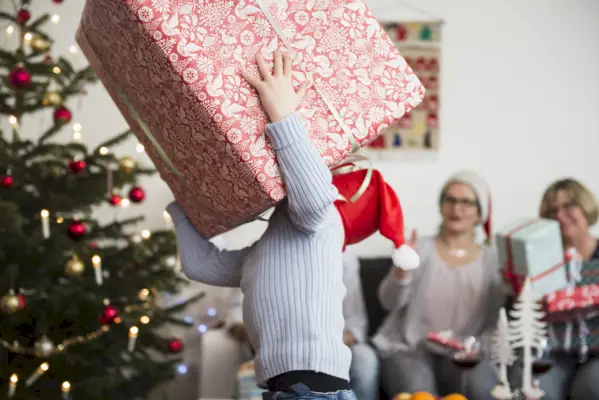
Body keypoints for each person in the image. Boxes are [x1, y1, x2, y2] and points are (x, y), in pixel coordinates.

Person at [167, 50, 357, 400]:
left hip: (313, 392)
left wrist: (283, 115)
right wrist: (181, 189)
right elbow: (201, 263)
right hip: (286, 391)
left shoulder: (322, 222)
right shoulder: (266, 248)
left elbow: (313, 197)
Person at [372, 170, 507, 399]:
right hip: (409, 347)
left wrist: (477, 348)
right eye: (450, 200)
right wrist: (402, 270)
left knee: (481, 387)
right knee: (420, 392)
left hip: (463, 353)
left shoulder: (494, 259)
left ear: (480, 213)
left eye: (466, 202)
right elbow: (388, 302)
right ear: (441, 205)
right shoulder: (419, 247)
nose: (456, 209)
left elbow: (495, 320)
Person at [226, 251, 381, 400]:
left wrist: (320, 346)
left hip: (333, 345)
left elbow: (356, 326)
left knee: (365, 359)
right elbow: (234, 321)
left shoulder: (344, 257)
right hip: (274, 349)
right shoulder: (259, 254)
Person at [510, 178, 599, 400]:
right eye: (551, 211)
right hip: (553, 353)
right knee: (533, 388)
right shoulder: (538, 262)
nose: (560, 216)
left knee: (591, 386)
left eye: (569, 206)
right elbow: (515, 316)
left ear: (586, 208)